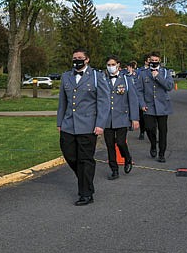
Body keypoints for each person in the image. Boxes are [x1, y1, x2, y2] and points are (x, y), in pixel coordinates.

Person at [57, 48, 110, 206]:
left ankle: (86, 193)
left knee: (85, 160)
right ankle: (85, 181)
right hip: (68, 125)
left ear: (87, 60)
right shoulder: (66, 76)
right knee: (70, 155)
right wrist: (60, 123)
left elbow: (103, 102)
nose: (77, 60)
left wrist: (100, 124)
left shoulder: (97, 76)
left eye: (80, 58)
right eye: (74, 58)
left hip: (88, 126)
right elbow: (62, 102)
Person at [103, 55, 140, 180]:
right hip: (107, 118)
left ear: (118, 65)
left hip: (122, 116)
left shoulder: (126, 79)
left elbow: (133, 100)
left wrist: (135, 118)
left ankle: (127, 157)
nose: (111, 67)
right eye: (109, 65)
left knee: (120, 142)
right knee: (109, 145)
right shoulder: (103, 79)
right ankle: (114, 170)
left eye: (113, 64)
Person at [135, 51, 174, 163]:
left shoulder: (165, 72)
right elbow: (139, 90)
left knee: (163, 131)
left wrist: (158, 77)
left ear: (159, 61)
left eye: (156, 61)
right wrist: (142, 104)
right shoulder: (143, 73)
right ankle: (153, 144)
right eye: (152, 60)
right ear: (149, 61)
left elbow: (169, 87)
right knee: (149, 128)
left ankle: (161, 153)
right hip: (149, 106)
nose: (154, 62)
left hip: (163, 106)